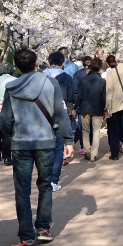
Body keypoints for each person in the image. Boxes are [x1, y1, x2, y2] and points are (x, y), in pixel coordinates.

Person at [0, 48, 74, 246]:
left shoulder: (11, 87)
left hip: (21, 143)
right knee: (45, 185)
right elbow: (60, 112)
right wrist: (68, 139)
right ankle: (43, 229)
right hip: (46, 142)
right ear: (38, 63)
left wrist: (11, 133)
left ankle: (26, 237)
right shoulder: (50, 83)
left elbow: (5, 120)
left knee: (22, 191)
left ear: (17, 65)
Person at [44, 52, 75, 190]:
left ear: (48, 63)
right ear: (63, 63)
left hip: (42, 118)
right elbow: (71, 97)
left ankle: (44, 179)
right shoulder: (67, 77)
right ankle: (54, 181)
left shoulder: (41, 76)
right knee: (58, 150)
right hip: (59, 116)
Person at [75, 57, 106, 162]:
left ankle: (87, 151)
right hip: (97, 108)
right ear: (100, 67)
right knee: (96, 132)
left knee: (85, 131)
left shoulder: (84, 80)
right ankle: (94, 154)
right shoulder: (102, 81)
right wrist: (105, 109)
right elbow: (104, 97)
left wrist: (76, 107)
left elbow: (79, 96)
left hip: (85, 108)